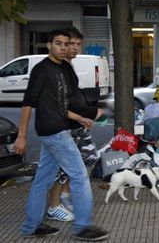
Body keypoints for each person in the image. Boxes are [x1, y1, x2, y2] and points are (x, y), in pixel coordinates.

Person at [13, 30, 109, 241]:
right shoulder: (42, 70)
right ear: (49, 45)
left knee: (42, 180)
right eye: (59, 43)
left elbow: (61, 104)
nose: (64, 47)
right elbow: (29, 102)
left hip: (59, 128)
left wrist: (79, 118)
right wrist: (21, 136)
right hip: (53, 131)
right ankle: (82, 227)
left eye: (67, 44)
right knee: (79, 175)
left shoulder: (64, 68)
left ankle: (31, 226)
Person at [46, 27, 103, 222]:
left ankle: (65, 194)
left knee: (89, 157)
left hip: (76, 125)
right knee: (62, 168)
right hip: (63, 127)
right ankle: (54, 207)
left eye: (78, 44)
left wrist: (83, 115)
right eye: (71, 44)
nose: (75, 48)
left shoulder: (67, 67)